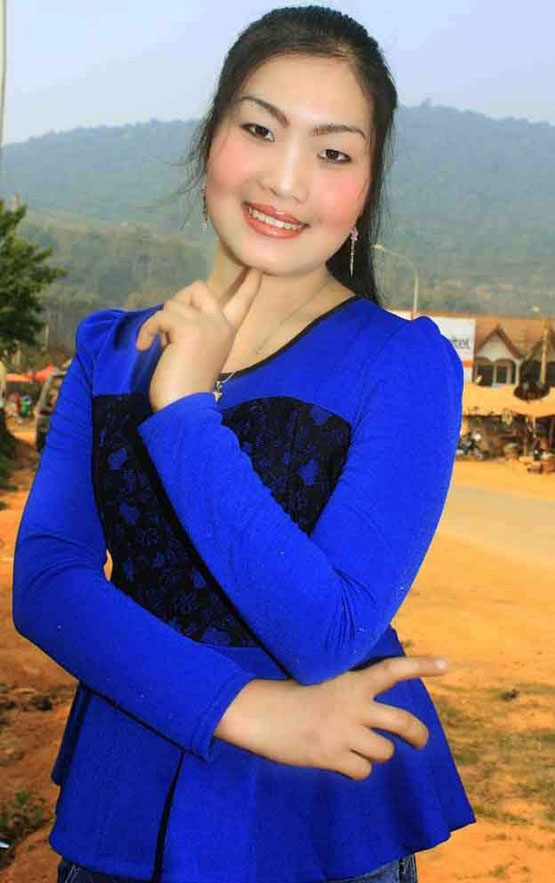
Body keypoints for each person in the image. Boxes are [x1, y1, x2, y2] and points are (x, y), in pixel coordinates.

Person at [13, 7, 476, 883]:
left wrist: (186, 409)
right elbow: (46, 582)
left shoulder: (403, 364)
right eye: (259, 130)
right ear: (210, 139)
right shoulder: (108, 348)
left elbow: (328, 632)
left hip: (315, 813)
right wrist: (247, 709)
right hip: (130, 792)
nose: (285, 180)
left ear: (366, 186)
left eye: (332, 153)